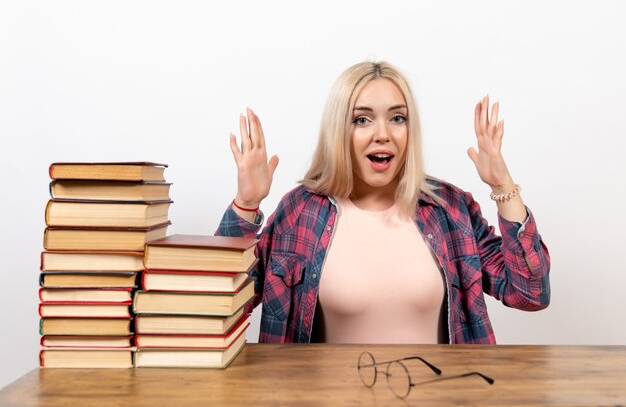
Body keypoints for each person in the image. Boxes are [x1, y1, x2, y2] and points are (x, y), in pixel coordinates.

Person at [216, 61, 550, 344]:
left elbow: (530, 293)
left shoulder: (450, 209)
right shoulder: (300, 212)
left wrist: (503, 186)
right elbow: (219, 304)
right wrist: (246, 204)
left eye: (397, 118)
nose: (382, 134)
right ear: (339, 130)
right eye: (362, 119)